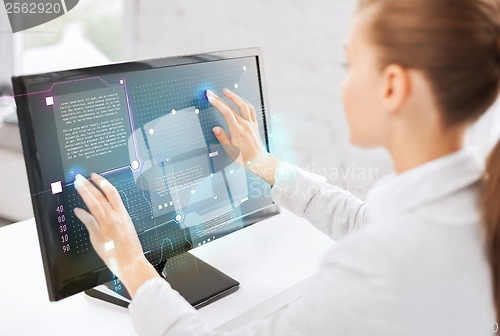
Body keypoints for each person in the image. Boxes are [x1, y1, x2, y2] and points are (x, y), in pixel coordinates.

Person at [72, 0, 500, 334]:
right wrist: (264, 165)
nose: (342, 83)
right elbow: (365, 223)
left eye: (349, 65)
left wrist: (130, 263)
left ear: (392, 86)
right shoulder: (468, 208)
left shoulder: (380, 268)